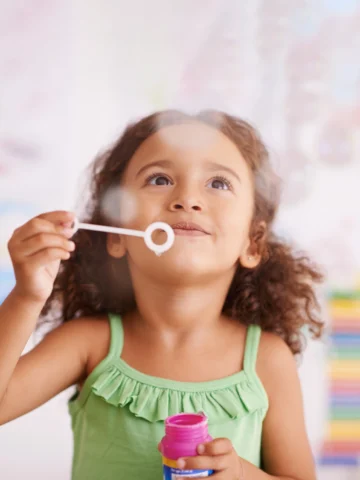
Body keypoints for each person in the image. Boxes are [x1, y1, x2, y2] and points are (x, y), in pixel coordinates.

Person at [0, 110, 323, 480]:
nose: (186, 198)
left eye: (218, 183)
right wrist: (27, 296)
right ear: (117, 233)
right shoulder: (92, 344)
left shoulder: (267, 360)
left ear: (252, 242)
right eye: (160, 178)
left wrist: (241, 475)